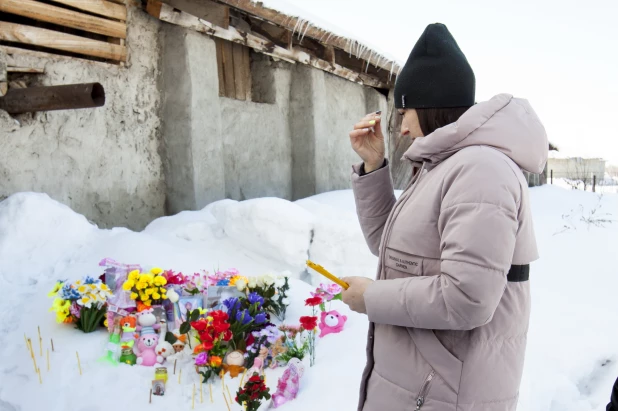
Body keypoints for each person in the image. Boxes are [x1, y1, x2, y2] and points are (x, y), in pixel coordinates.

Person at [341, 23, 548, 411]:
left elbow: (468, 297)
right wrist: (373, 166)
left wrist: (372, 297)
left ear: (432, 104)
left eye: (405, 111)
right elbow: (389, 246)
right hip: (419, 382)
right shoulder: (444, 166)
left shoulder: (480, 170)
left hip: (444, 393)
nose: (400, 127)